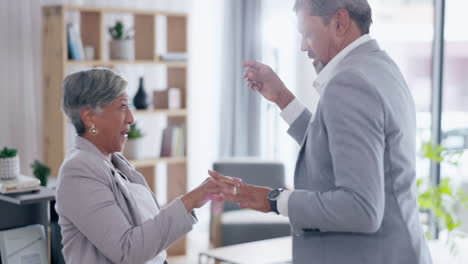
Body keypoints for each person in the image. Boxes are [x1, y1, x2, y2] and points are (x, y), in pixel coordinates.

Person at [209, 0, 432, 263]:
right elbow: (339, 150)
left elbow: (361, 208)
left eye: (307, 33)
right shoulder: (380, 66)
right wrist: (282, 97)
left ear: (339, 22)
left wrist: (273, 200)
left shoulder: (350, 82)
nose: (303, 46)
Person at [55, 68, 236, 264]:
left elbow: (148, 236)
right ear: (90, 117)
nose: (131, 118)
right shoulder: (79, 170)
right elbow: (128, 250)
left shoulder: (114, 162)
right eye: (122, 107)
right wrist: (191, 201)